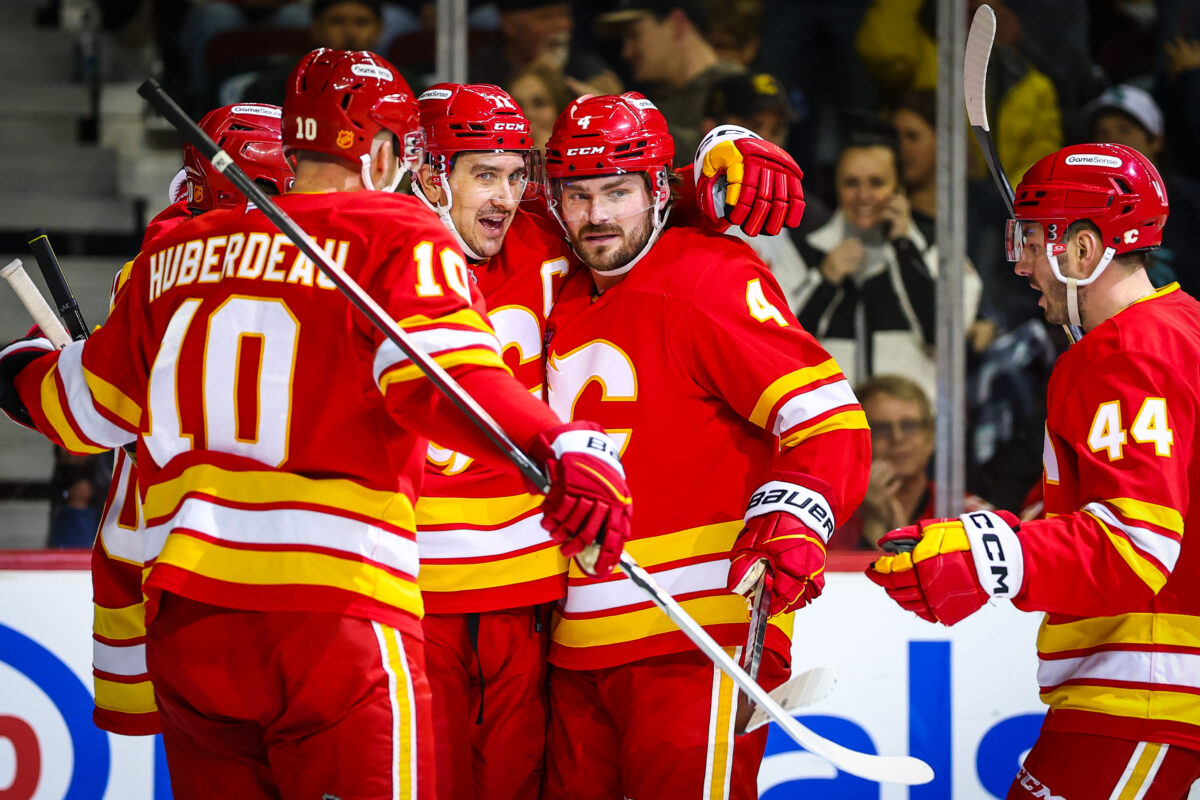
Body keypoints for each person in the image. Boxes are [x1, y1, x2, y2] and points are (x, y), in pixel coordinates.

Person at [0, 49, 634, 799]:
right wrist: (559, 442)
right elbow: (449, 381)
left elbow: (82, 409)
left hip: (193, 628)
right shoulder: (391, 231)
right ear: (386, 152)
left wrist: (18, 365)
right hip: (332, 620)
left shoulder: (174, 252)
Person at [409, 82, 810, 800]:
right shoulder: (384, 245)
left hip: (561, 607)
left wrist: (710, 170)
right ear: (427, 173)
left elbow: (612, 198)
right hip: (454, 606)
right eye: (482, 175)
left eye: (512, 174)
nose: (503, 196)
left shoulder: (548, 238)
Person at [539, 92, 871, 800]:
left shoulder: (709, 278)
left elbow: (828, 420)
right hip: (574, 648)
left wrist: (798, 513)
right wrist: (705, 172)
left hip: (698, 637)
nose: (597, 214)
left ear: (659, 190)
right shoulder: (560, 287)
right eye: (579, 194)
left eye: (619, 191)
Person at [867, 143, 1200, 797]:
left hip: (1152, 694)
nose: (1018, 263)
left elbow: (1137, 541)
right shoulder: (1180, 327)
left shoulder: (1127, 350)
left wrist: (984, 553)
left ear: (1083, 251)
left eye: (1030, 239)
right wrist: (1025, 526)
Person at [89, 102, 295, 737]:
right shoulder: (325, 266)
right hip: (286, 566)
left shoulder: (157, 261)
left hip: (171, 561)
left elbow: (90, 407)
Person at [791, 126, 982, 401]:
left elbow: (944, 338)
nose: (863, 195)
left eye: (877, 182)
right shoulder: (803, 251)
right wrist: (824, 280)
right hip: (832, 425)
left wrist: (905, 249)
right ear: (836, 186)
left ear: (899, 190)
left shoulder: (939, 253)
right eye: (851, 183)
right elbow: (782, 348)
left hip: (913, 430)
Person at [826, 374, 992, 550]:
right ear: (858, 443)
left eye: (909, 426)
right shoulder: (829, 518)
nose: (897, 437)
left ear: (930, 438)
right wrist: (874, 522)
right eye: (881, 428)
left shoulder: (971, 517)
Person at [597, 0, 744, 166]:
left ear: (677, 23)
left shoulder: (742, 91)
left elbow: (729, 161)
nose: (626, 52)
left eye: (634, 34)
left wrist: (622, 117)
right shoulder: (655, 101)